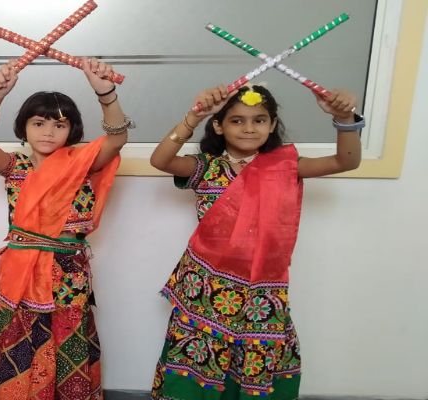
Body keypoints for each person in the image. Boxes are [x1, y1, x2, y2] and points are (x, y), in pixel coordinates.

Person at [148, 84, 363, 398]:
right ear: (219, 126)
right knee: (199, 356)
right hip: (207, 287)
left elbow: (346, 161)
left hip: (261, 288)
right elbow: (160, 160)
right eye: (237, 120)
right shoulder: (207, 167)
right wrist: (194, 116)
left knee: (255, 355)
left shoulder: (286, 167)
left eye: (259, 120)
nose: (249, 128)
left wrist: (344, 119)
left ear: (272, 124)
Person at [0, 58, 131, 399]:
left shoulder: (81, 165)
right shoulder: (14, 167)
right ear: (24, 127)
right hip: (22, 270)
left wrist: (106, 93)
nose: (48, 132)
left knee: (66, 332)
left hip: (68, 271)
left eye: (59, 125)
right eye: (38, 123)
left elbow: (117, 139)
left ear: (72, 131)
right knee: (18, 332)